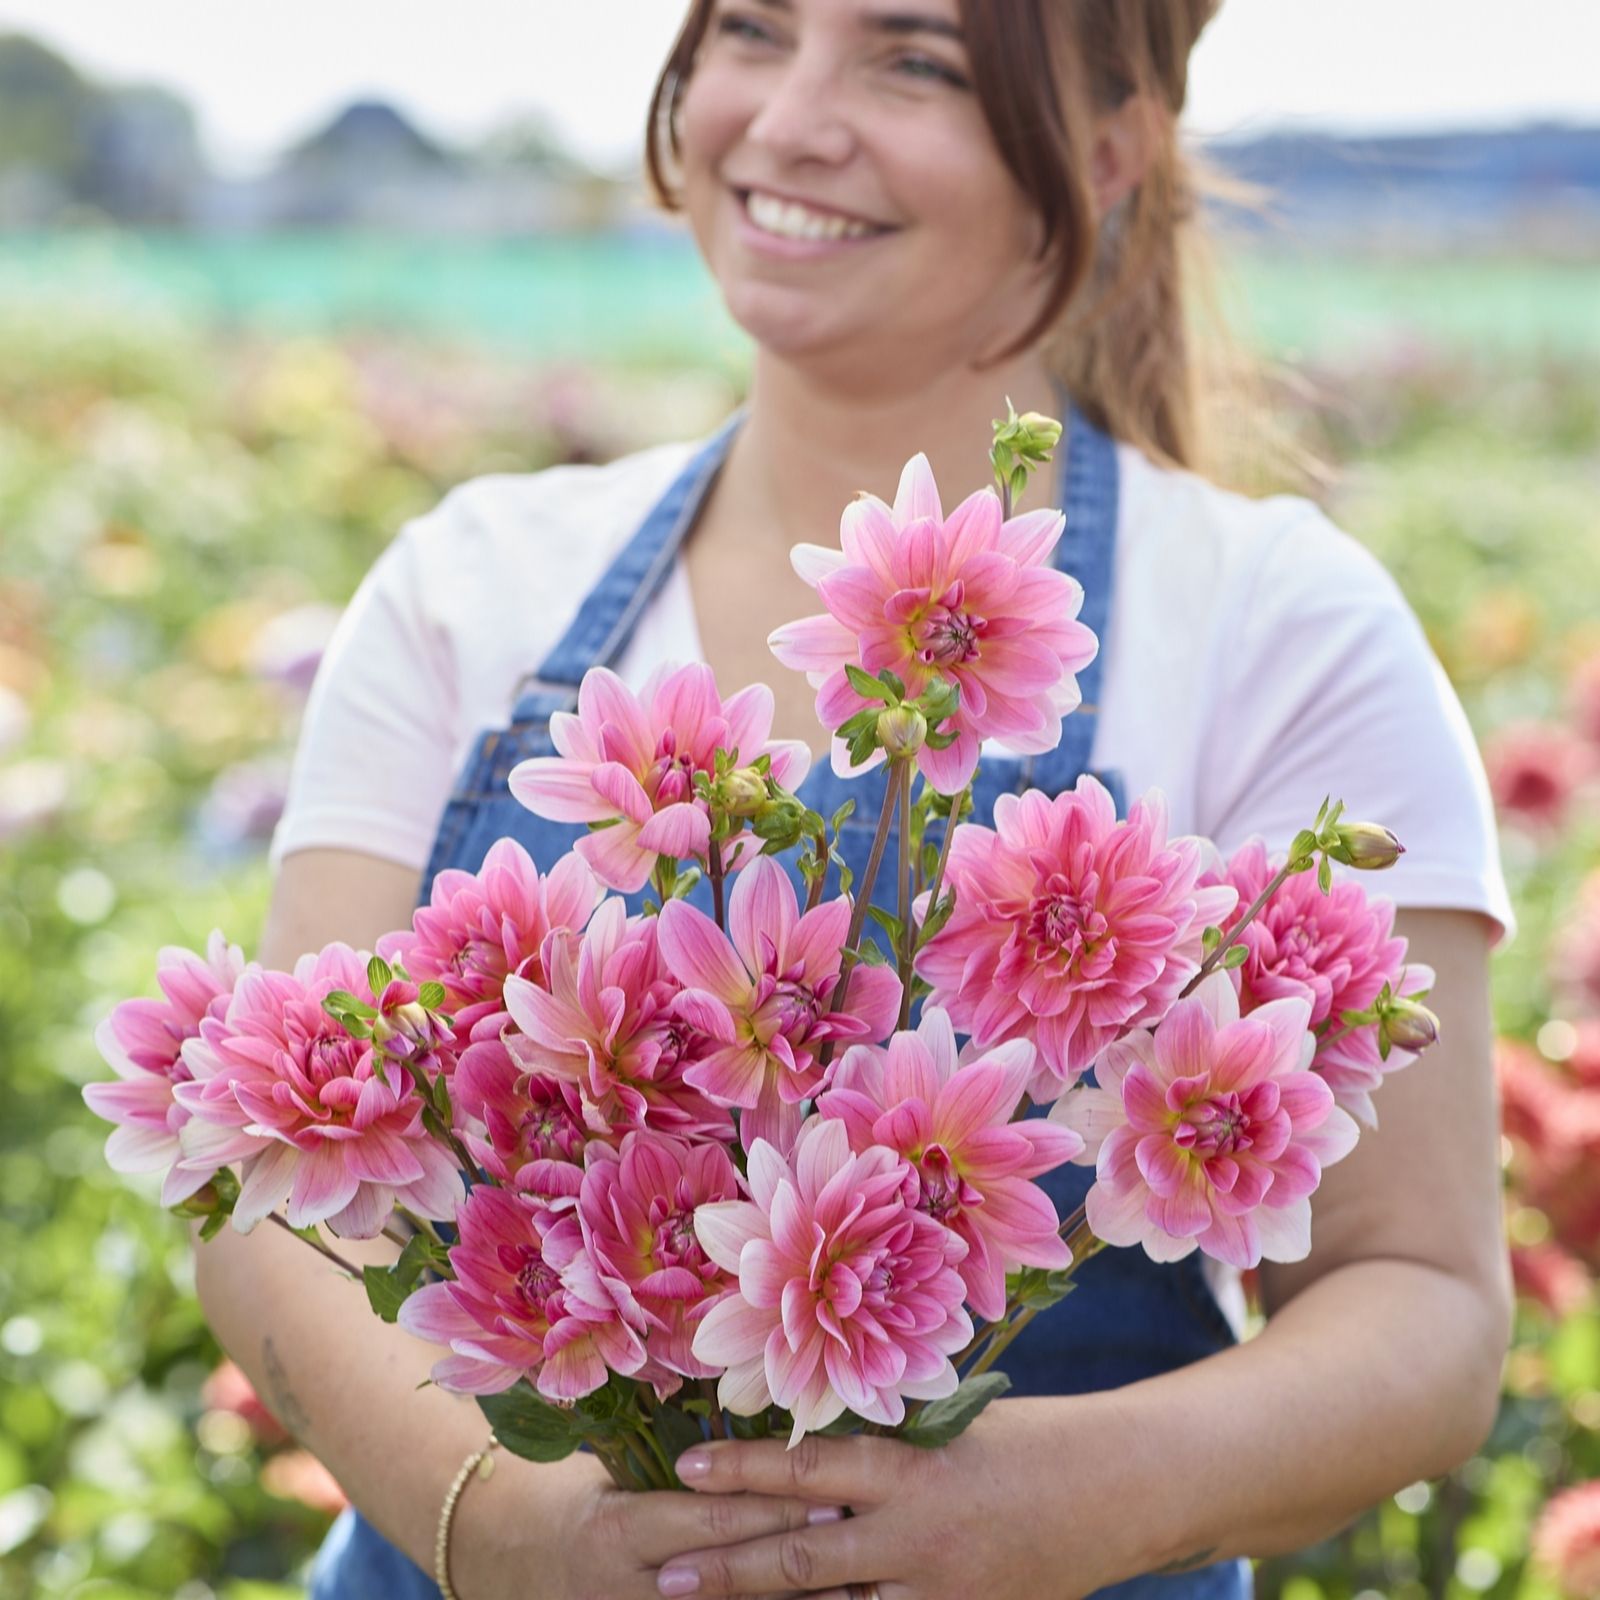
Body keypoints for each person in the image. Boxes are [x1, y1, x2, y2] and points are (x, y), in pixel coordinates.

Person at [194, 3, 1515, 1598]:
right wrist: (496, 1529)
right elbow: (265, 1182)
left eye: (915, 60)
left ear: (1105, 152)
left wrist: (1073, 1499)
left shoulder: (1277, 623)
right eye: (752, 27)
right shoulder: (473, 583)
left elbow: (1425, 1304)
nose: (792, 119)